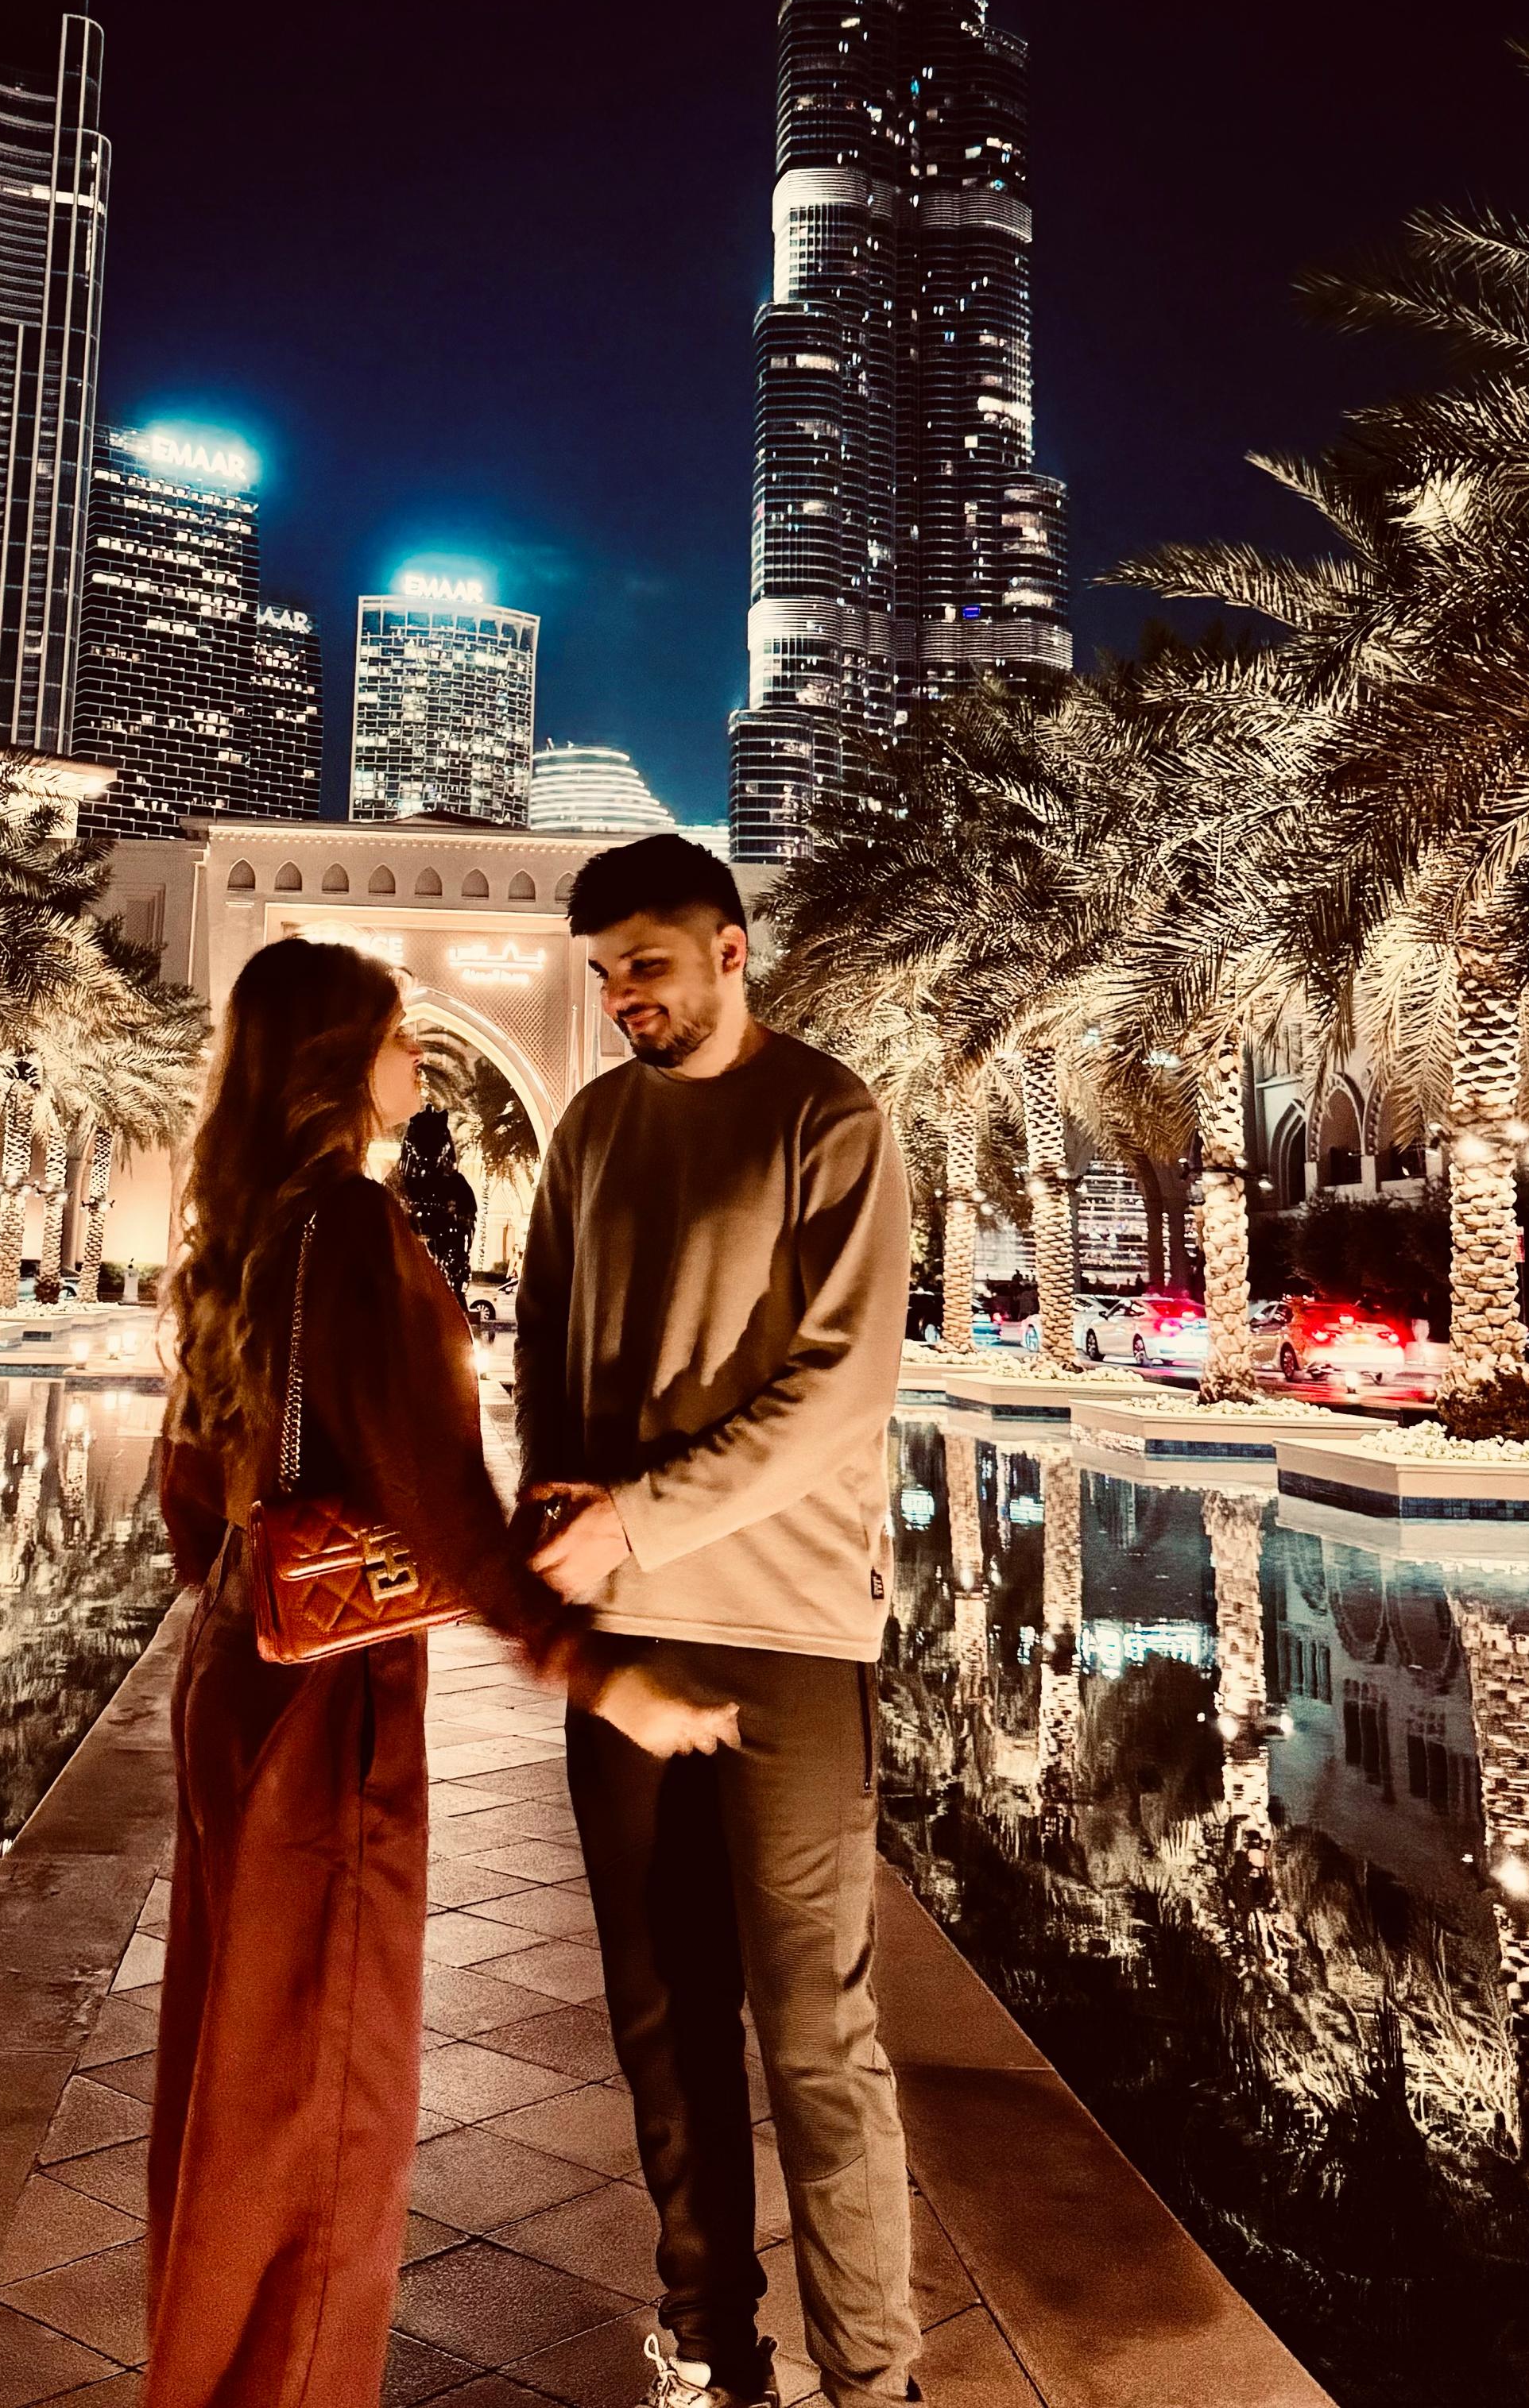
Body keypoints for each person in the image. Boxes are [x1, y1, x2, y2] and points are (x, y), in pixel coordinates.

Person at [148, 933, 734, 2408]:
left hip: (236, 1678)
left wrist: (268, 1577)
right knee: (323, 2103)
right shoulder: (347, 1226)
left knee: (232, 2082)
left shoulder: (240, 1226)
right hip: (328, 1721)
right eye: (400, 1033)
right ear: (346, 1063)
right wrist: (600, 1673)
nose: (420, 1057)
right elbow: (429, 1493)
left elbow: (184, 1497)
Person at [517, 834, 919, 2408]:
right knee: (660, 2014)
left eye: (650, 965)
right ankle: (710, 2341)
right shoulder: (591, 1128)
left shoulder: (828, 1116)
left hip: (789, 1638)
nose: (622, 996)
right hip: (621, 1639)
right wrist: (560, 1532)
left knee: (815, 2026)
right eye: (603, 971)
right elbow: (547, 1353)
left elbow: (844, 1389)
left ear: (733, 949)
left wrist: (640, 1516)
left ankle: (872, 2377)